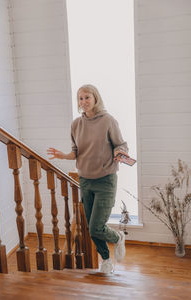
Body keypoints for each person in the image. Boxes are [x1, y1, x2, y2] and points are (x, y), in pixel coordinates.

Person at [47, 84, 129, 273]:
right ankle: (106, 259)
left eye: (87, 97)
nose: (83, 102)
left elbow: (121, 145)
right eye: (80, 98)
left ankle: (118, 238)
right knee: (92, 227)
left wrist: (119, 153)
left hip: (105, 180)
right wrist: (63, 155)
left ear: (95, 98)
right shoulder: (76, 124)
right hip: (85, 180)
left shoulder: (108, 120)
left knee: (95, 227)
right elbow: (76, 152)